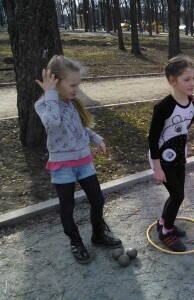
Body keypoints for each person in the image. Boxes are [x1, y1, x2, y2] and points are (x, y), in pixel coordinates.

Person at [35, 55, 122, 264]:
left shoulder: (72, 103)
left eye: (78, 84)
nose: (76, 89)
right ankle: (75, 241)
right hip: (63, 166)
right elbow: (53, 123)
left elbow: (80, 127)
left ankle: (98, 235)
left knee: (98, 200)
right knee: (67, 206)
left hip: (84, 162)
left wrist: (96, 138)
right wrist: (50, 94)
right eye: (72, 85)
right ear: (56, 82)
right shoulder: (43, 105)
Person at [148, 55, 194, 252]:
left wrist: (193, 103)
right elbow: (153, 139)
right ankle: (166, 232)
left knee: (176, 194)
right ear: (172, 80)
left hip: (180, 156)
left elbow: (183, 128)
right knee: (178, 195)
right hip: (162, 159)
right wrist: (156, 167)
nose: (192, 83)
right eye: (186, 79)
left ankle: (164, 221)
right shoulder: (163, 107)